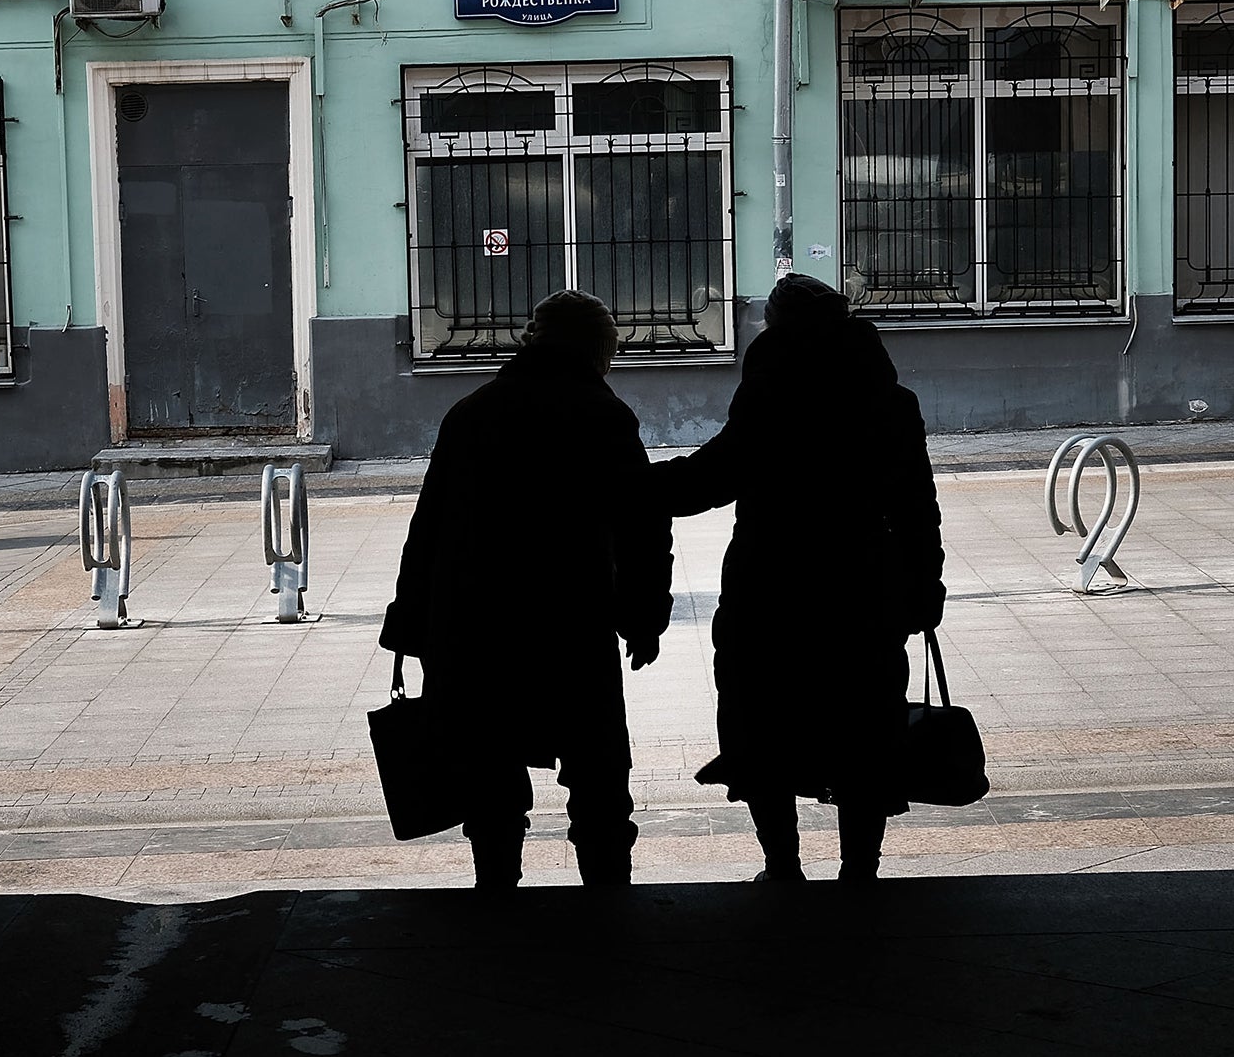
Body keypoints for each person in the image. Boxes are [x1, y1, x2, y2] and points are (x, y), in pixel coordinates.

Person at [649, 275, 944, 881]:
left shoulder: (771, 393)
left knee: (762, 720)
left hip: (771, 584)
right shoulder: (890, 402)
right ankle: (860, 867)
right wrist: (924, 587)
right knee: (864, 722)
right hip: (862, 584)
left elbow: (711, 478)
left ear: (777, 325)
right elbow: (917, 504)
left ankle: (782, 864)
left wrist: (635, 484)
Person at [378, 290, 674, 889]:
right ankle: (608, 899)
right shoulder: (602, 415)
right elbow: (642, 526)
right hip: (570, 621)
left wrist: (410, 624)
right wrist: (643, 616)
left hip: (477, 625)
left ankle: (497, 899)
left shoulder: (474, 412)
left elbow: (429, 528)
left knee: (489, 775)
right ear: (597, 347)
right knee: (597, 773)